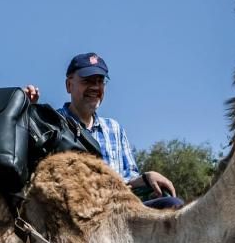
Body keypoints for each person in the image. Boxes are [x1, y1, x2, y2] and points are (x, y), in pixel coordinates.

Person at [51, 53, 182, 209]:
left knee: (173, 205)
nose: (95, 87)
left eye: (100, 81)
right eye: (87, 81)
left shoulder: (114, 129)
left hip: (119, 211)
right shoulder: (52, 123)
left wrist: (147, 177)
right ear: (69, 85)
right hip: (75, 213)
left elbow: (128, 183)